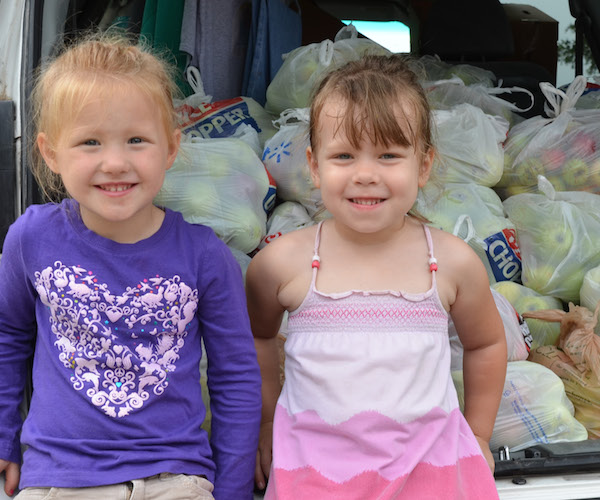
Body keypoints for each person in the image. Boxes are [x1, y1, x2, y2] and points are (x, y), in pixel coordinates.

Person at [0, 32, 261, 500]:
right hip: (58, 480)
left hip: (175, 480)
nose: (115, 162)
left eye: (137, 140)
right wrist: (3, 437)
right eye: (90, 142)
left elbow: (235, 377)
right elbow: (6, 336)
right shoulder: (31, 238)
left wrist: (235, 489)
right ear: (50, 152)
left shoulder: (205, 256)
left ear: (171, 148)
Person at [246, 54, 507, 499]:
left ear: (423, 165)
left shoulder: (450, 262)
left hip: (430, 475)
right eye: (344, 155)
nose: (365, 175)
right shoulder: (279, 263)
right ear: (313, 165)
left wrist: (478, 434)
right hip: (313, 477)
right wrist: (268, 423)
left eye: (388, 155)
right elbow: (258, 340)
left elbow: (486, 343)